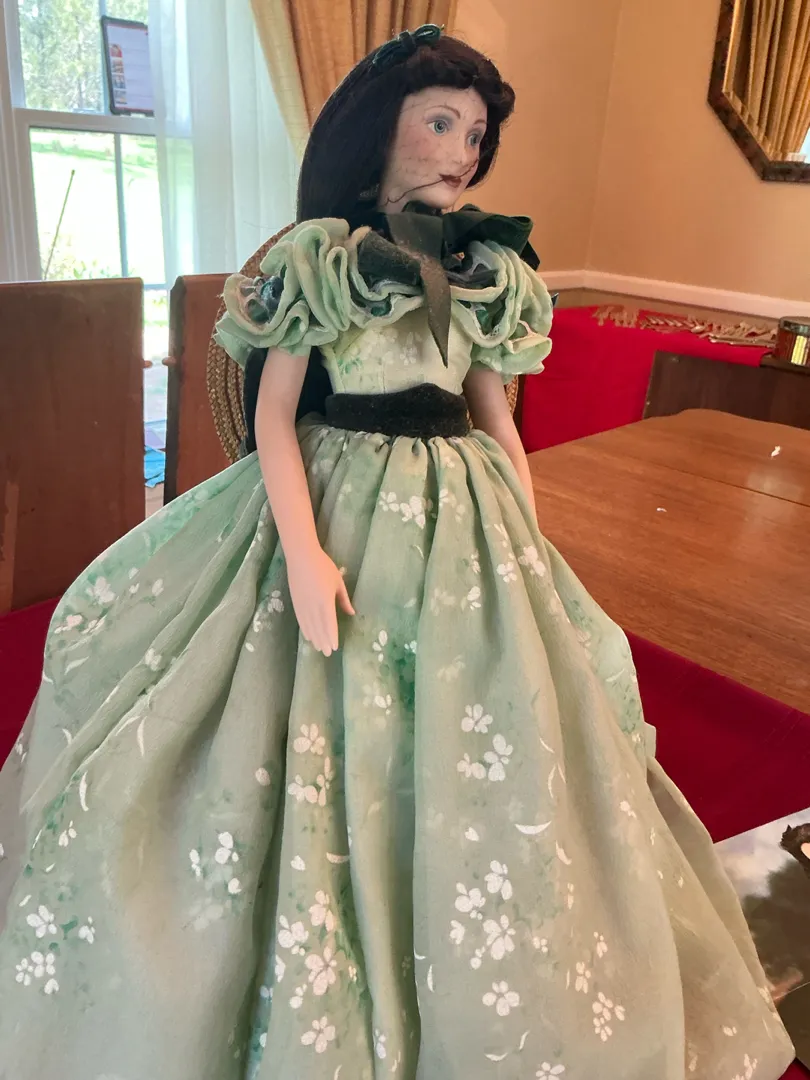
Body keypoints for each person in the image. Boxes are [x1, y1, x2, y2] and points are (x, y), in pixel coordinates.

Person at [0, 25, 794, 1080]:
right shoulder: (324, 263)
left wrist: (526, 531)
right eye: (441, 123)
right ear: (380, 130)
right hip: (337, 491)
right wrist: (302, 552)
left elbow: (496, 416)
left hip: (464, 510)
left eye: (475, 133)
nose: (462, 150)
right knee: (295, 715)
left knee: (504, 716)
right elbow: (275, 417)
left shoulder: (486, 269)